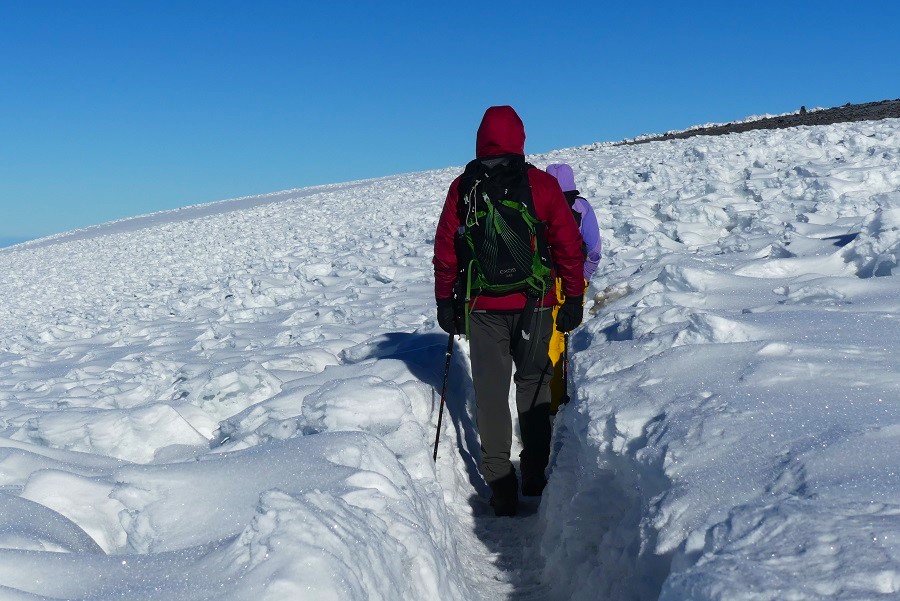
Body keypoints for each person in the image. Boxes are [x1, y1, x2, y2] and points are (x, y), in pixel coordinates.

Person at [433, 106, 585, 516]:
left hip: (482, 308)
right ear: (520, 137)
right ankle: (534, 474)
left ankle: (501, 485)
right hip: (536, 305)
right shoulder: (541, 185)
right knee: (534, 383)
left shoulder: (463, 187)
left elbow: (447, 248)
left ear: (480, 138)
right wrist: (573, 298)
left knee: (490, 395)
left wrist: (445, 300)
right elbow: (569, 247)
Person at [545, 163, 601, 413]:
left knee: (550, 339)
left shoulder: (540, 205)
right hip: (574, 280)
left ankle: (550, 401)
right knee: (569, 330)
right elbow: (594, 248)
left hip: (547, 280)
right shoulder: (582, 207)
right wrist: (584, 276)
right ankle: (565, 398)